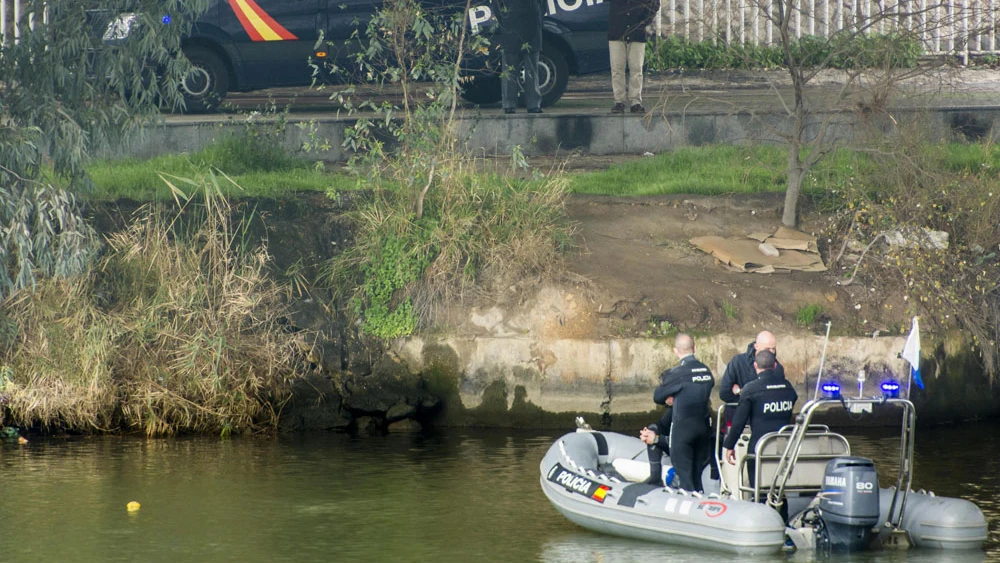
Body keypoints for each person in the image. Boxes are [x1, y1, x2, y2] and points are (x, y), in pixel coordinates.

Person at [640, 333, 714, 492]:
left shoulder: (678, 373)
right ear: (695, 348)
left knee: (685, 478)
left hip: (683, 430)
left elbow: (658, 396)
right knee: (696, 475)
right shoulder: (707, 371)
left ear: (675, 351)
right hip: (703, 429)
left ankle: (687, 507)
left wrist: (673, 397)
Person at [722, 349, 798, 492]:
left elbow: (739, 422)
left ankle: (762, 508)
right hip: (783, 447)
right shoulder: (788, 387)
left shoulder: (751, 390)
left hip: (759, 447)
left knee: (757, 487)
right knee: (780, 488)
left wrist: (729, 446)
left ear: (755, 366)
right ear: (775, 366)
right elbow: (793, 399)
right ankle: (782, 512)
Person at [607, 0, 658, 114]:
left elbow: (655, 3)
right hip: (617, 30)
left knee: (636, 67)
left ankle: (635, 101)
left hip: (637, 31)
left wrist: (644, 20)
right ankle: (619, 101)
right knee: (617, 68)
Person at [495, 0, 544, 114]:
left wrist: (504, 20)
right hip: (528, 26)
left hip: (514, 26)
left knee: (510, 69)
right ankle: (533, 104)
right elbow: (543, 6)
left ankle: (509, 104)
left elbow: (497, 7)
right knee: (529, 69)